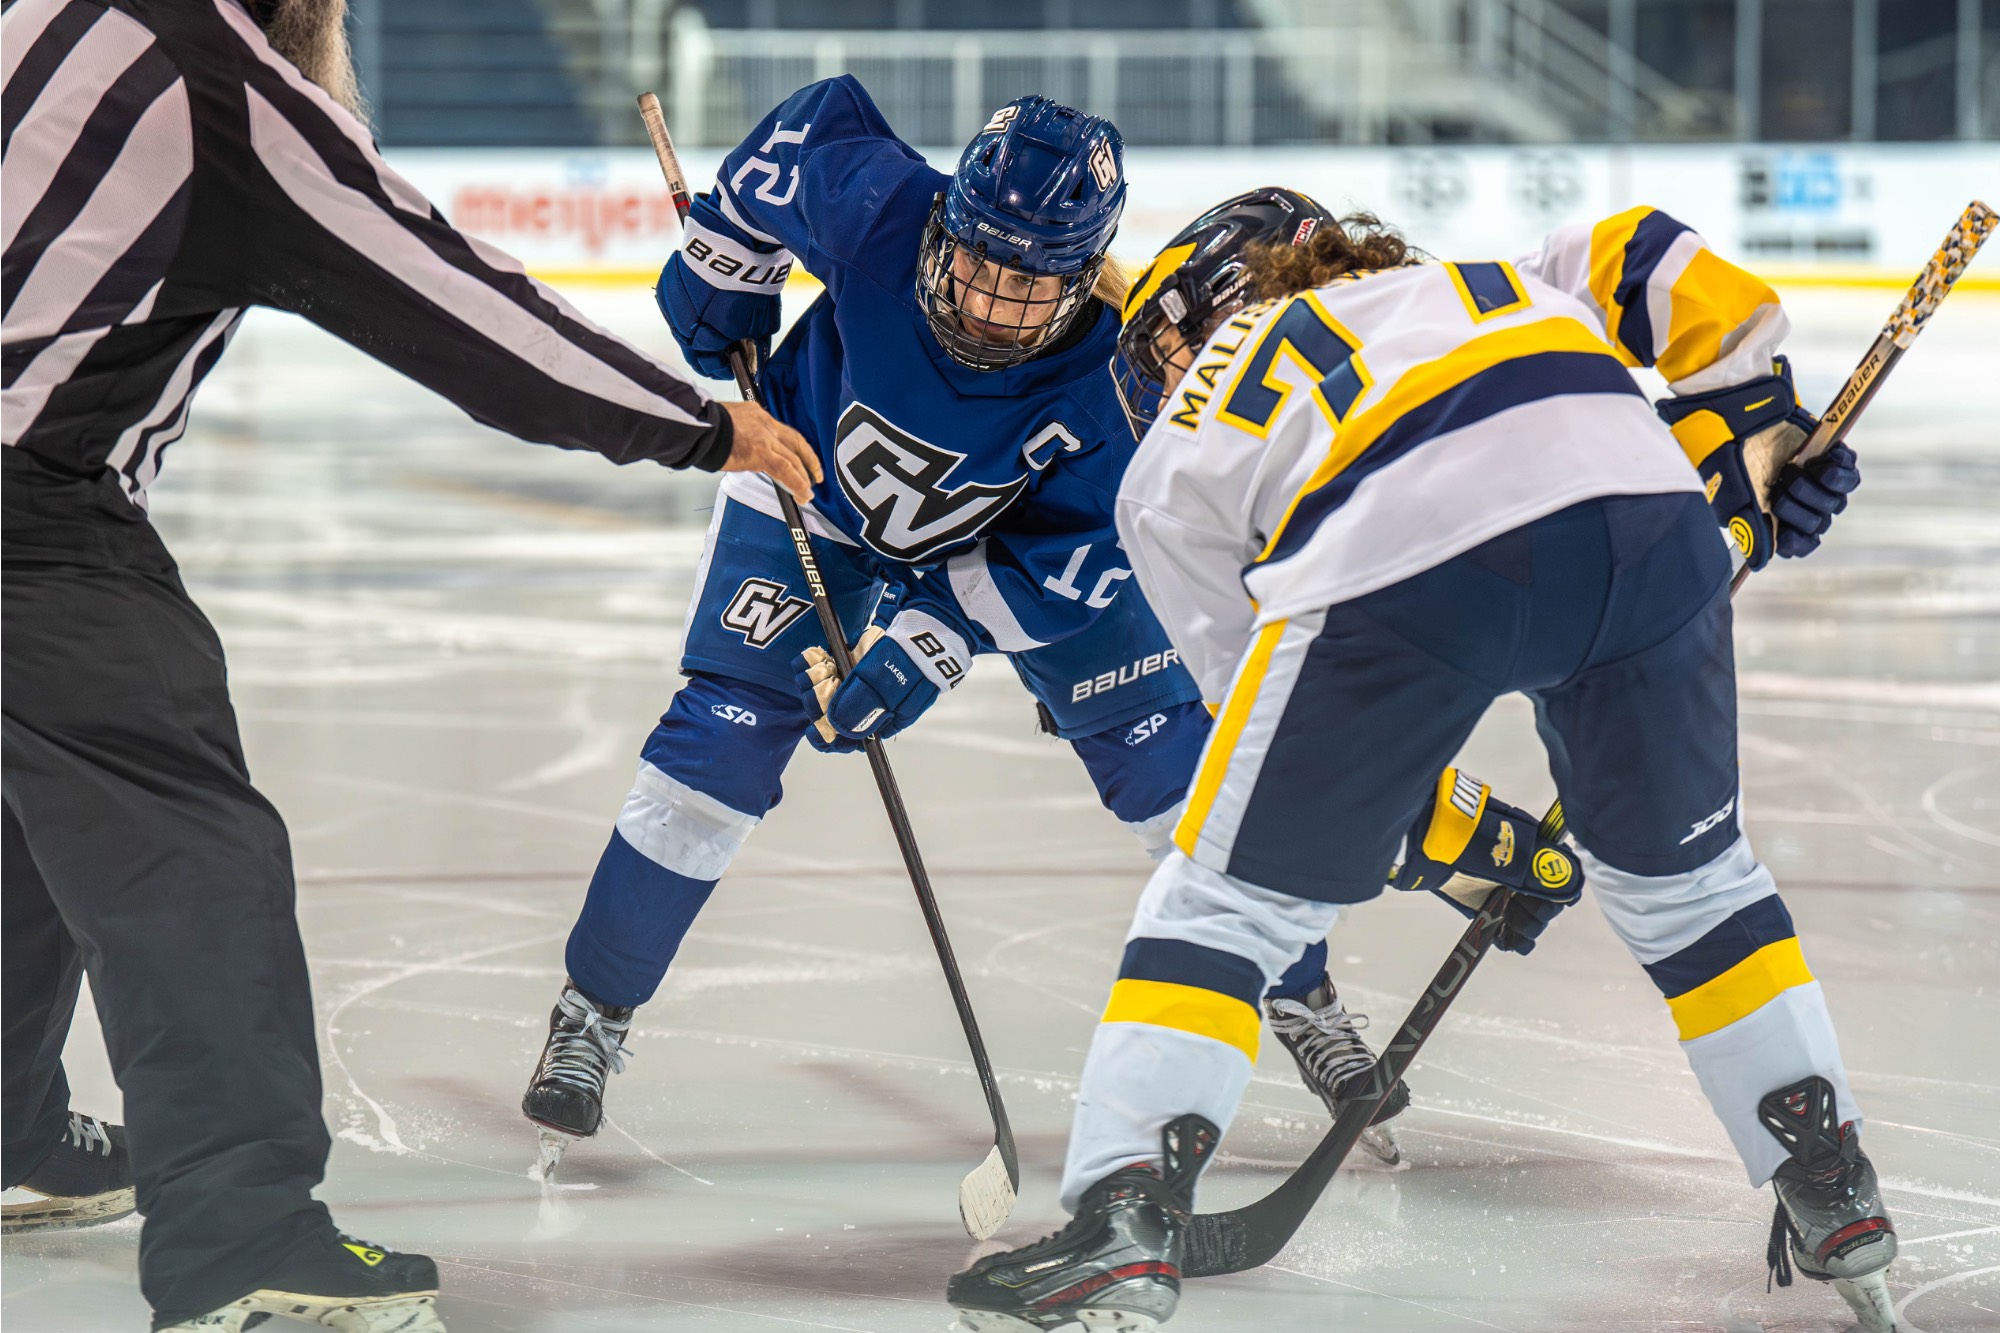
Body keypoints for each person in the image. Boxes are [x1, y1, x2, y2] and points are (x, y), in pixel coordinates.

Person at [1, 0, 816, 1328]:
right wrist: (702, 426)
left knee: (31, 808)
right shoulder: (231, 96)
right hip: (26, 518)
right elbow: (467, 318)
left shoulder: (47, 14)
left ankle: (9, 1134)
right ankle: (241, 1239)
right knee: (189, 848)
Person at [947, 192, 1887, 1332]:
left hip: (1402, 544)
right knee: (1693, 885)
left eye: (1168, 338)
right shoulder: (1499, 281)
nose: (1162, 371)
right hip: (1650, 530)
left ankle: (1123, 1215)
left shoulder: (1178, 449)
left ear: (1236, 293)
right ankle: (1828, 1179)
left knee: (1225, 895)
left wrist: (1452, 838)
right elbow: (1646, 249)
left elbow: (1269, 750)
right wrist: (1742, 434)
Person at [517, 82, 1430, 1171]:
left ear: (1086, 267)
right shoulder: (876, 206)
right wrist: (725, 264)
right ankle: (594, 1011)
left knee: (1177, 776)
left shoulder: (1124, 378)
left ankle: (1303, 1000)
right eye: (981, 262)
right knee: (711, 749)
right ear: (948, 219)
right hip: (805, 483)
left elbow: (1069, 556)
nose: (995, 301)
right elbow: (803, 125)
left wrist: (926, 640)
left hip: (1009, 543)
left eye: (1031, 281)